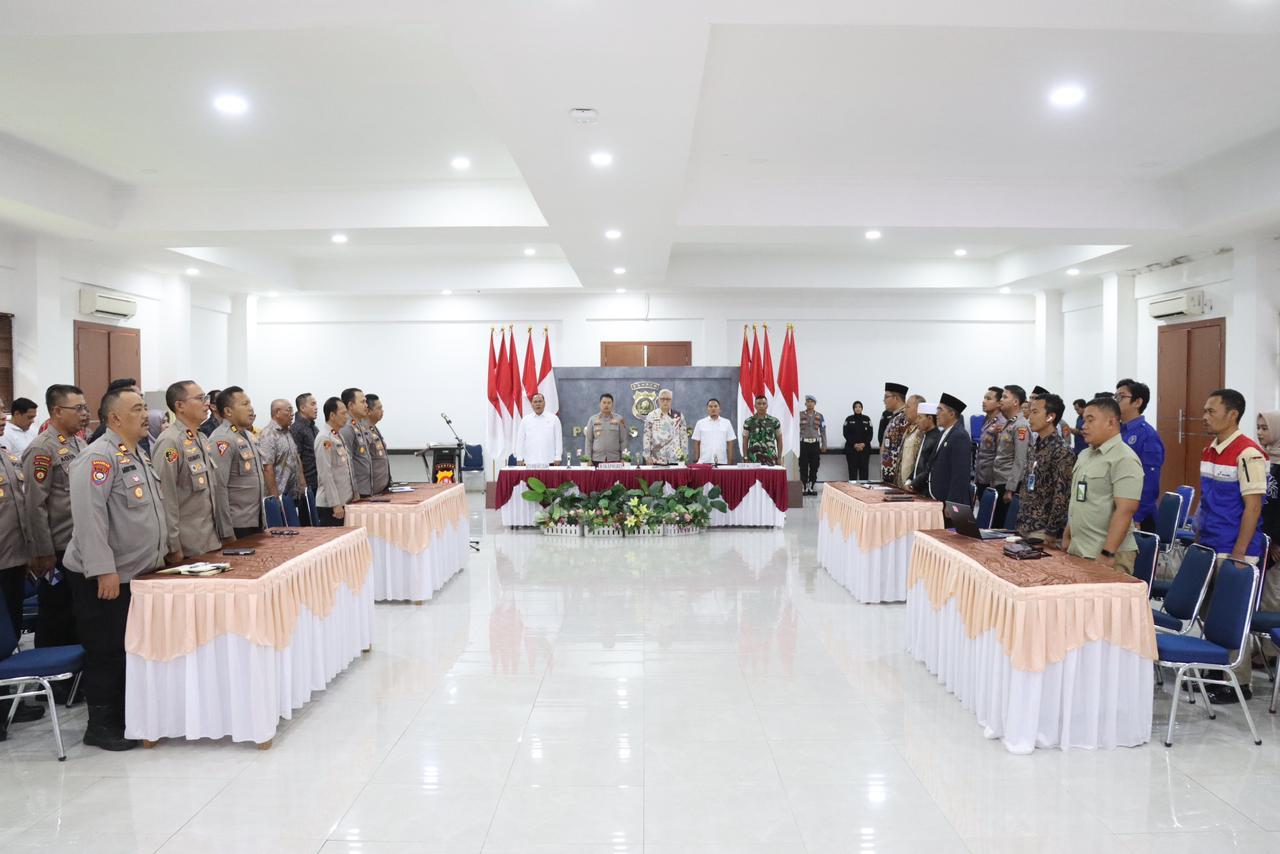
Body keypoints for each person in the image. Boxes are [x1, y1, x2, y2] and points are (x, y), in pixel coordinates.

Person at [64, 387, 167, 751]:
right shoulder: (97, 458)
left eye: (145, 408)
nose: (145, 415)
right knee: (106, 649)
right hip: (106, 576)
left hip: (136, 573)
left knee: (128, 648)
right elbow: (89, 519)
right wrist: (102, 569)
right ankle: (101, 725)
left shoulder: (137, 453)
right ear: (115, 418)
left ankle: (127, 716)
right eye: (137, 409)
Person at [1196, 388, 1269, 702]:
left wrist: (1239, 552)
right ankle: (1215, 671)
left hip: (1234, 549)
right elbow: (1206, 500)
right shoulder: (1210, 450)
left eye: (1211, 411)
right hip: (1210, 543)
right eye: (1205, 410)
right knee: (1210, 614)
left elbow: (1253, 507)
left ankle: (1239, 683)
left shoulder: (1248, 453)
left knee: (1232, 618)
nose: (1204, 416)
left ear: (1232, 414)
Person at [22, 384, 88, 654]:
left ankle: (76, 668)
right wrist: (43, 551)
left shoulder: (79, 443)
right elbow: (34, 505)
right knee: (56, 613)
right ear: (58, 411)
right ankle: (50, 672)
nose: (84, 413)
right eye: (78, 408)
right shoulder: (42, 449)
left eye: (85, 407)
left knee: (77, 612)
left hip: (80, 544)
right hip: (58, 547)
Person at [152, 381, 234, 567]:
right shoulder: (170, 442)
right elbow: (166, 496)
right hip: (187, 547)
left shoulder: (201, 438)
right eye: (200, 398)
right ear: (180, 406)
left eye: (206, 398)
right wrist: (173, 546)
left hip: (210, 541)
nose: (206, 403)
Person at [1062, 397, 1142, 576]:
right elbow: (1079, 500)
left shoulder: (1124, 458)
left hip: (1106, 554)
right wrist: (1068, 534)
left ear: (1111, 423)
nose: (1084, 426)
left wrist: (1108, 553)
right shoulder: (1084, 455)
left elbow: (1125, 510)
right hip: (1080, 548)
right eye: (1084, 420)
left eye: (1090, 420)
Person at [0, 429, 42, 734]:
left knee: (10, 634)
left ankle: (8, 700)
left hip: (14, 560)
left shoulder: (7, 457)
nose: (2, 417)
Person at [1016, 393, 1074, 545]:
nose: (1030, 417)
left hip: (1043, 530)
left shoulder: (1061, 451)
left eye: (1035, 412)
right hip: (1025, 523)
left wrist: (1052, 532)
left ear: (1050, 417)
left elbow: (1062, 495)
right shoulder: (1036, 446)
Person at [210, 386, 268, 538]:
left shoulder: (248, 436)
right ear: (228, 411)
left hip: (255, 519)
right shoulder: (222, 439)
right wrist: (226, 531)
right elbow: (218, 487)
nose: (251, 408)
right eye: (245, 404)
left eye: (250, 403)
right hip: (236, 525)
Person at [1115, 379, 1165, 534]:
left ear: (1137, 402)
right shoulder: (1118, 431)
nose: (1116, 401)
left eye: (1121, 397)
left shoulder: (1147, 435)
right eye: (1115, 396)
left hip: (1138, 518)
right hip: (1119, 508)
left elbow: (1149, 482)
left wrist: (1137, 517)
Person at [991, 384, 1030, 527]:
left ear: (1015, 402)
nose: (1001, 400)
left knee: (1002, 527)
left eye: (1005, 397)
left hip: (1009, 484)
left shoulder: (1021, 426)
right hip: (1001, 481)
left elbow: (1020, 459)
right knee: (996, 524)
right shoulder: (1011, 423)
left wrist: (1010, 489)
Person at [260, 397, 311, 507]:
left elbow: (296, 457)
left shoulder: (287, 432)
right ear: (277, 412)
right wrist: (275, 498)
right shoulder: (268, 435)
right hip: (280, 497)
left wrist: (302, 482)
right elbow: (267, 468)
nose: (292, 414)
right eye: (289, 410)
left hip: (293, 495)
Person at [314, 396, 356, 526]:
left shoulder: (337, 435)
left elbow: (347, 468)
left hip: (344, 500)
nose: (347, 417)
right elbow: (325, 474)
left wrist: (355, 493)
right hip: (331, 506)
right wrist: (335, 504)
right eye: (343, 413)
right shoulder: (325, 438)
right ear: (332, 415)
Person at [925, 394, 972, 504]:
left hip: (949, 500)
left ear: (951, 414)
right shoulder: (943, 433)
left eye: (940, 410)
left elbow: (960, 475)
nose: (936, 414)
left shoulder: (960, 436)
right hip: (936, 496)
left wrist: (951, 502)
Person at [339, 388, 375, 498]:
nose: (366, 405)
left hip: (366, 488)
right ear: (350, 405)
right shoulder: (347, 427)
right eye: (362, 402)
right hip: (357, 492)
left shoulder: (358, 424)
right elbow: (346, 463)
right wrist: (354, 491)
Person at [291, 392, 320, 521]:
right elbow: (296, 457)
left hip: (318, 481)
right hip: (308, 484)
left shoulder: (313, 427)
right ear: (302, 408)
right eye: (312, 404)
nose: (316, 407)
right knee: (309, 521)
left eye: (316, 404)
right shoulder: (297, 429)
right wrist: (303, 483)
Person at [516, 392, 564, 467]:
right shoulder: (525, 420)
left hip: (549, 461)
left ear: (544, 403)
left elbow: (558, 439)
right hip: (529, 462)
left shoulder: (554, 419)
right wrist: (519, 457)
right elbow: (520, 441)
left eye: (540, 401)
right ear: (531, 404)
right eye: (535, 402)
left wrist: (558, 457)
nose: (538, 404)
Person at [642, 388, 687, 465]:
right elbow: (647, 437)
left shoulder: (678, 416)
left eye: (668, 399)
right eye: (662, 399)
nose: (665, 401)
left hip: (675, 458)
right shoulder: (651, 416)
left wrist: (684, 455)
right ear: (658, 400)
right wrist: (647, 456)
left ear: (671, 401)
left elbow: (684, 437)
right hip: (656, 459)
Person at [89, 379, 140, 444]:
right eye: (136, 396)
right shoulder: (105, 435)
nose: (141, 401)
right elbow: (121, 449)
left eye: (141, 396)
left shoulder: (135, 431)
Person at [584, 393, 628, 463]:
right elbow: (589, 441)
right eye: (604, 402)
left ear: (612, 405)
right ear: (600, 404)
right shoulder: (592, 419)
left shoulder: (619, 419)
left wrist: (624, 458)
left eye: (609, 403)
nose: (606, 405)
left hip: (615, 459)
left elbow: (623, 440)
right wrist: (588, 458)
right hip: (597, 459)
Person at [907, 403, 941, 493]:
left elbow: (929, 468)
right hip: (917, 486)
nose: (917, 421)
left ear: (930, 418)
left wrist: (914, 484)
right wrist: (909, 479)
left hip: (926, 489)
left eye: (920, 417)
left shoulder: (936, 439)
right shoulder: (926, 436)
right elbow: (918, 464)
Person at [879, 382, 910, 482]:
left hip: (896, 477)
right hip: (889, 474)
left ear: (896, 398)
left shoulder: (904, 418)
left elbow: (906, 449)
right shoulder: (895, 417)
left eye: (886, 397)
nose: (884, 401)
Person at [798, 395, 827, 495]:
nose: (810, 404)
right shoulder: (800, 415)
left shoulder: (820, 416)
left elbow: (823, 431)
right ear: (805, 403)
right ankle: (804, 486)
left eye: (812, 402)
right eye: (808, 402)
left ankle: (811, 485)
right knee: (803, 465)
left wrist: (824, 444)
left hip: (815, 444)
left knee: (814, 465)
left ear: (815, 404)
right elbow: (795, 430)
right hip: (803, 444)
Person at [742, 395, 783, 465]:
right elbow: (745, 441)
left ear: (767, 406)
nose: (761, 406)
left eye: (764, 404)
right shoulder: (748, 422)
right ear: (755, 406)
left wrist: (779, 457)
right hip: (753, 459)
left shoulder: (774, 421)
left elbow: (779, 440)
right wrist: (745, 457)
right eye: (759, 404)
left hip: (770, 458)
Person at [692, 399, 736, 464]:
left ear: (720, 409)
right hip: (704, 462)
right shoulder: (700, 423)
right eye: (710, 406)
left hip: (722, 462)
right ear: (707, 409)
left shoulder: (727, 423)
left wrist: (730, 462)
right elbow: (696, 443)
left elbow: (730, 443)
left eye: (715, 406)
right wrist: (696, 461)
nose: (713, 408)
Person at [895, 395, 925, 489]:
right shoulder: (908, 430)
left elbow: (920, 465)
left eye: (907, 407)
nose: (904, 410)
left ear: (918, 410)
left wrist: (912, 483)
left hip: (912, 487)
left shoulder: (921, 432)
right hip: (902, 486)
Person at [364, 394, 392, 494]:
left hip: (382, 486)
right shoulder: (363, 430)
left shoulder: (373, 428)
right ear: (369, 411)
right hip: (372, 489)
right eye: (379, 408)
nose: (382, 411)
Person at [843, 401, 873, 480]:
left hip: (864, 450)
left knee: (864, 473)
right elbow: (845, 434)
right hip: (851, 450)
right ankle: (853, 488)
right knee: (852, 473)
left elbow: (870, 434)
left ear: (862, 408)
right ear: (853, 409)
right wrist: (854, 444)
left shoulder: (867, 419)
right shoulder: (849, 419)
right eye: (856, 407)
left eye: (859, 407)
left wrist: (864, 444)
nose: (858, 408)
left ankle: (863, 488)